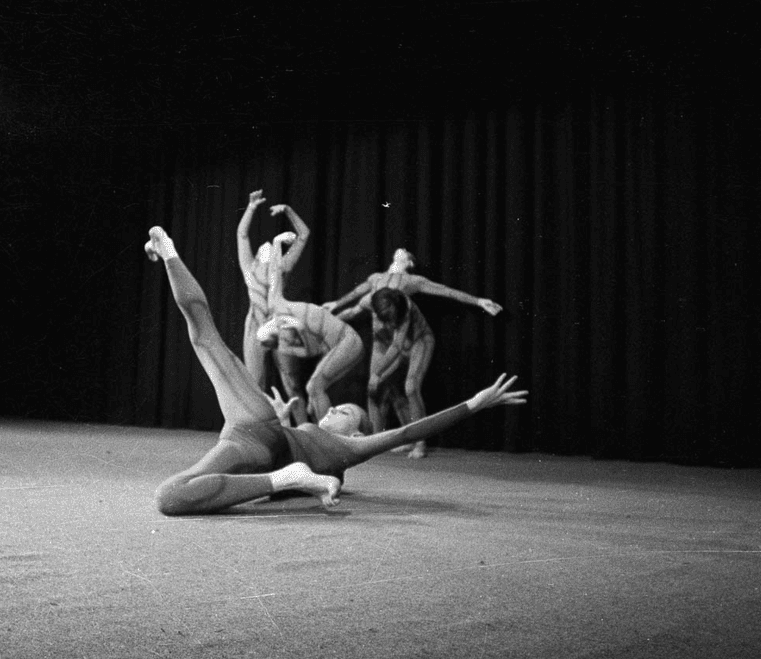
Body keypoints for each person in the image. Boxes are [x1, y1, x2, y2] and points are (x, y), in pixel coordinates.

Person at [144, 225, 528, 516]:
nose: (330, 410)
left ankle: (287, 479)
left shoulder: (348, 450)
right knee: (203, 344)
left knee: (206, 341)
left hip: (252, 436)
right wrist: (282, 418)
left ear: (357, 433)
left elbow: (406, 432)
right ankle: (170, 253)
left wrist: (474, 405)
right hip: (253, 433)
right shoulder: (315, 433)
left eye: (343, 411)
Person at [328, 249, 503, 458]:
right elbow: (355, 300)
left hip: (418, 341)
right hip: (383, 341)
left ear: (409, 263)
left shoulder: (407, 297)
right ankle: (377, 441)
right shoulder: (373, 287)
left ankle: (419, 441)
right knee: (376, 389)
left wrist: (477, 301)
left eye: (404, 255)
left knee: (410, 387)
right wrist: (331, 313)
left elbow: (444, 291)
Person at [255, 232, 364, 423]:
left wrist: (277, 242)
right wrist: (299, 329)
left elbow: (275, 275)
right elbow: (312, 350)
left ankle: (323, 436)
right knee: (309, 388)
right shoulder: (288, 338)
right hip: (336, 343)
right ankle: (315, 432)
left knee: (314, 388)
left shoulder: (276, 305)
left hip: (347, 341)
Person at [236, 189, 310, 390]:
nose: (266, 244)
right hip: (255, 325)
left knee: (291, 384)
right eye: (262, 246)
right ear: (258, 256)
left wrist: (287, 210)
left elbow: (303, 235)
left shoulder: (282, 267)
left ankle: (301, 422)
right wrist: (251, 207)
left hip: (279, 322)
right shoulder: (249, 269)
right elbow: (242, 235)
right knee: (254, 381)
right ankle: (260, 422)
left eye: (271, 244)